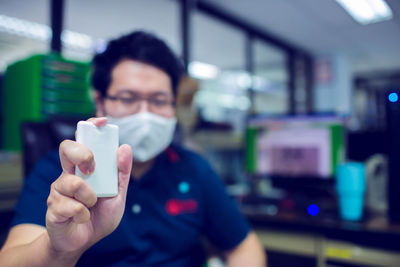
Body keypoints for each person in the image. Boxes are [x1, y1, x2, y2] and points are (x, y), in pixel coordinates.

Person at [0, 31, 266, 267]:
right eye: (128, 98)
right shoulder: (58, 174)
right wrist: (58, 250)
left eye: (159, 100)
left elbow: (244, 246)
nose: (145, 115)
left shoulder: (194, 168)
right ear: (100, 101)